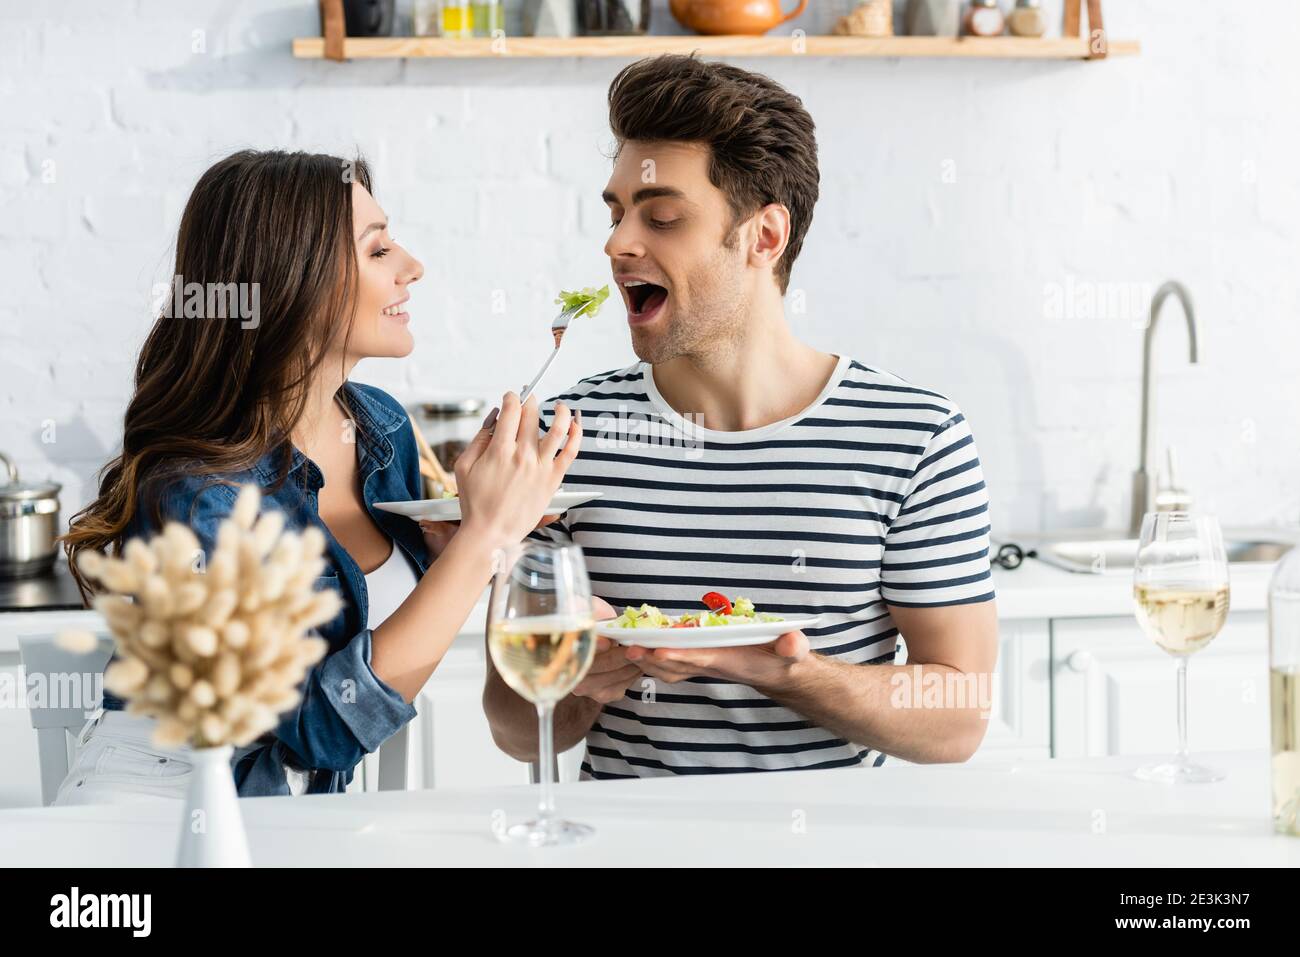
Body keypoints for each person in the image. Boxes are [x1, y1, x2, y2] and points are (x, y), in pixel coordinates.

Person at [483, 56, 999, 779]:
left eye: (661, 215)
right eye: (616, 211)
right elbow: (511, 724)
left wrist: (789, 673)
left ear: (764, 237)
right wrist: (581, 680)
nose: (617, 243)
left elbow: (960, 717)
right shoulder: (565, 437)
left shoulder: (915, 437)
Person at [58, 150, 580, 801]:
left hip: (292, 822)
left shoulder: (379, 428)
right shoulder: (200, 493)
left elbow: (397, 639)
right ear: (294, 279)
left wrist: (459, 538)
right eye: (379, 249)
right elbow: (318, 730)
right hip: (163, 814)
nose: (412, 267)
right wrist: (483, 540)